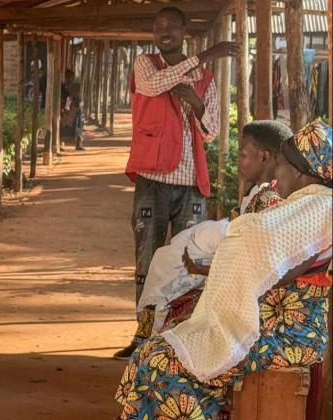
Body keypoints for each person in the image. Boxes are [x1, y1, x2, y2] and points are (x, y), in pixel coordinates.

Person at [115, 119, 333, 419]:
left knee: (159, 362)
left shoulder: (314, 210)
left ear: (297, 170)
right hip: (270, 328)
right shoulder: (306, 207)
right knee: (155, 354)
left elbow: (266, 262)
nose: (276, 175)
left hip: (286, 336)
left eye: (280, 164)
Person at [117, 5, 240, 359]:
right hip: (152, 181)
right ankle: (143, 338)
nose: (164, 31)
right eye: (159, 26)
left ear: (183, 31)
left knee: (191, 262)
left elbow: (213, 131)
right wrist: (202, 57)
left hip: (190, 185)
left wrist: (198, 105)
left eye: (172, 25)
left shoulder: (205, 80)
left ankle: (181, 338)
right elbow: (153, 86)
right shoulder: (146, 65)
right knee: (146, 261)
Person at [130, 121, 294, 342]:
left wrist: (203, 269)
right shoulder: (259, 192)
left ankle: (149, 335)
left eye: (243, 155)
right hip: (222, 260)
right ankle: (149, 332)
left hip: (232, 276)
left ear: (264, 157)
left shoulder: (267, 199)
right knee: (166, 261)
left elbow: (251, 261)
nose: (239, 162)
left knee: (165, 265)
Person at [60, 69, 84, 150]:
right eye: (68, 77)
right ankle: (62, 143)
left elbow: (77, 96)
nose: (69, 78)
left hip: (75, 107)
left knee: (78, 126)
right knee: (64, 126)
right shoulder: (64, 86)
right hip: (68, 108)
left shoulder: (75, 85)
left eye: (70, 77)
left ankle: (78, 143)